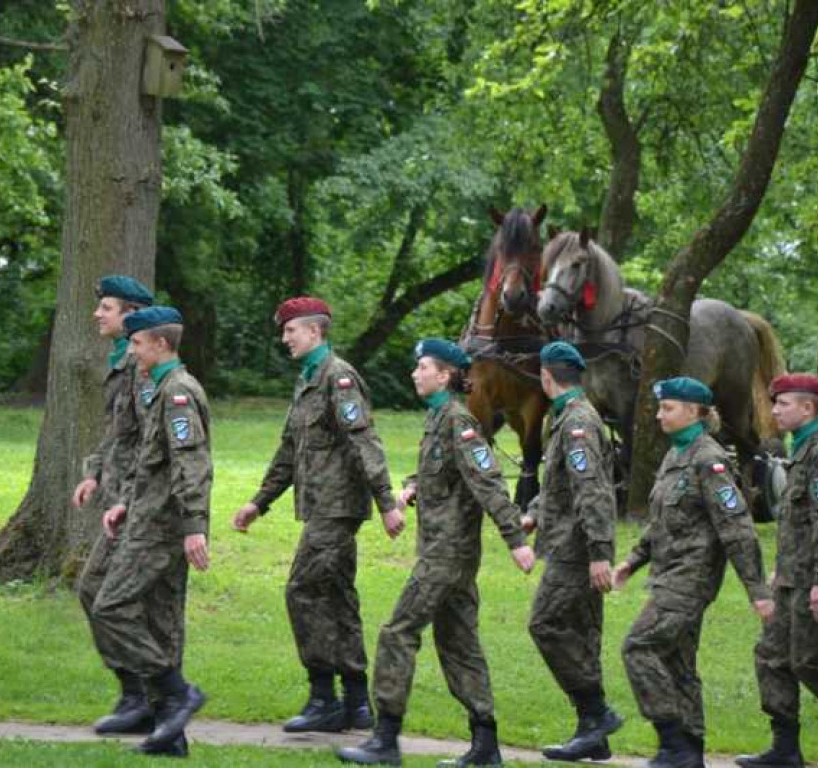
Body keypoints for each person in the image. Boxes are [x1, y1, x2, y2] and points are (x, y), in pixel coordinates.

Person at [336, 339, 534, 768]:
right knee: (458, 642)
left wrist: (516, 540)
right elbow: (443, 471)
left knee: (397, 632)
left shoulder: (459, 421)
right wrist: (413, 485)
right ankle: (486, 745)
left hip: (447, 554)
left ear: (444, 375)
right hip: (446, 552)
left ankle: (384, 739)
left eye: (422, 366)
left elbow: (487, 480)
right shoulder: (439, 418)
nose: (414, 373)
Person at [233, 297, 401, 733]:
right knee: (336, 597)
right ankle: (356, 703)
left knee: (302, 590)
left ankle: (324, 697)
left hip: (336, 508)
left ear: (314, 332)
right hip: (320, 508)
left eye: (290, 330)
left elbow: (365, 440)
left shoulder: (338, 378)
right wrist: (259, 501)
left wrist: (386, 503)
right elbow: (290, 451)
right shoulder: (309, 378)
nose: (284, 338)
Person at [614, 376, 774, 768]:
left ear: (694, 412)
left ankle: (672, 741)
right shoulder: (676, 455)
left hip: (691, 578)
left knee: (639, 646)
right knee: (678, 665)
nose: (659, 414)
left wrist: (758, 590)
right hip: (669, 574)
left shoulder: (709, 460)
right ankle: (690, 752)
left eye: (667, 408)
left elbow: (737, 527)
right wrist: (633, 562)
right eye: (661, 407)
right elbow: (664, 520)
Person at [89, 306, 210, 756]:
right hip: (146, 514)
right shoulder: (157, 388)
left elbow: (191, 463)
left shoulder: (177, 392)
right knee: (162, 624)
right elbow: (149, 459)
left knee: (111, 605)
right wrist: (124, 501)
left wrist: (194, 526)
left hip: (162, 525)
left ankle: (176, 692)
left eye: (137, 342)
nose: (131, 349)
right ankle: (170, 733)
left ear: (160, 344)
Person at [736, 373, 818, 768]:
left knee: (808, 661)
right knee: (771, 656)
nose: (775, 410)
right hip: (790, 579)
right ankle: (785, 749)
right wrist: (779, 571)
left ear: (807, 408)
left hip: (816, 580)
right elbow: (795, 525)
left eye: (782, 403)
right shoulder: (799, 451)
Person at [522, 341, 621, 761]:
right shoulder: (570, 417)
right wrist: (533, 513)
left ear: (547, 376)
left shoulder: (576, 423)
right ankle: (591, 736)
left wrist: (599, 552)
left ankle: (596, 713)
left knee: (544, 624)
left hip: (575, 549)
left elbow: (592, 490)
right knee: (582, 636)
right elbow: (560, 485)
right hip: (569, 539)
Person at [72, 275, 159, 737]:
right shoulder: (121, 361)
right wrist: (93, 472)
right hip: (121, 497)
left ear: (130, 315)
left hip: (140, 502)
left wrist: (126, 498)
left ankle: (151, 694)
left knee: (106, 594)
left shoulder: (142, 364)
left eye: (106, 308)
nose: (97, 314)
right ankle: (137, 692)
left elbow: (151, 440)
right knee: (96, 591)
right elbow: (117, 431)